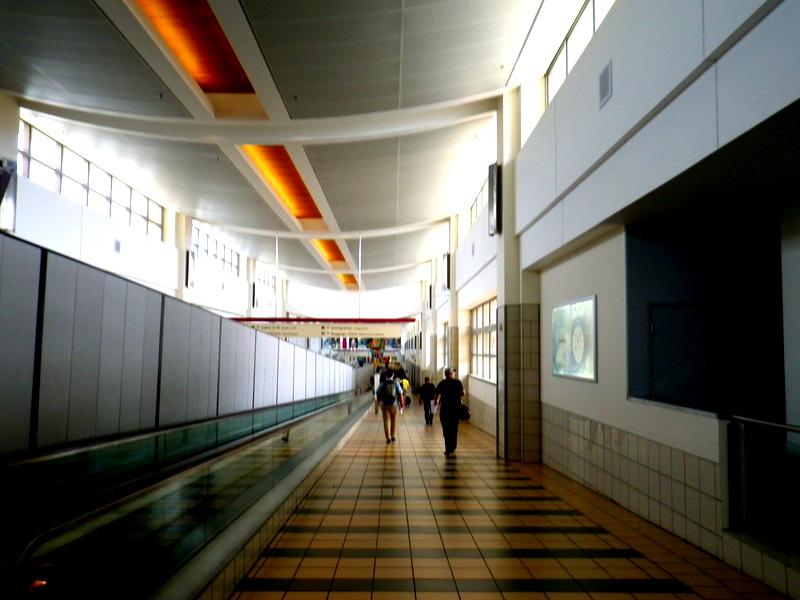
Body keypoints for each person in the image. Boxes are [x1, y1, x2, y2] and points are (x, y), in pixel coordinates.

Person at [434, 367, 465, 456]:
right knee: (454, 429)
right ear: (451, 374)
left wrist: (436, 401)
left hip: (445, 410)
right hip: (455, 410)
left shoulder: (442, 383)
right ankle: (453, 446)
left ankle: (448, 448)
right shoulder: (457, 382)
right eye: (453, 373)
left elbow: (437, 393)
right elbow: (462, 393)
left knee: (446, 429)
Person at [374, 371, 404, 444]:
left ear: (386, 376)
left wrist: (378, 403)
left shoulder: (382, 384)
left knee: (385, 421)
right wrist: (402, 404)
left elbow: (377, 393)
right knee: (393, 420)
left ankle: (388, 437)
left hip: (384, 404)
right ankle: (393, 435)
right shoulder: (396, 383)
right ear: (393, 375)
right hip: (393, 404)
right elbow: (400, 394)